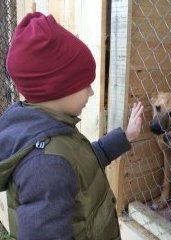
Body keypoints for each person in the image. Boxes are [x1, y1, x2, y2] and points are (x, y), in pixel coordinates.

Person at [0, 12, 143, 240]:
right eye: (85, 84)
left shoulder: (47, 128)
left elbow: (81, 164)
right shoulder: (46, 166)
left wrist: (125, 137)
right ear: (56, 88)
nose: (91, 92)